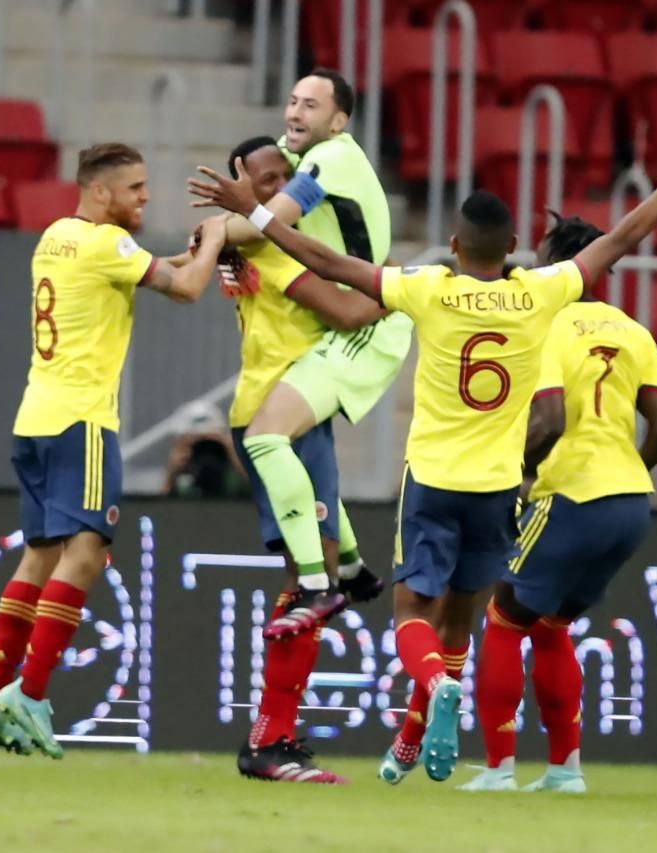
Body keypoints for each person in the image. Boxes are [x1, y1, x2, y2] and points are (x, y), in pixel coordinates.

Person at [188, 131, 657, 783]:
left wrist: (258, 212)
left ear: (453, 246)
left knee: (412, 613)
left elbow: (328, 263)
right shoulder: (542, 293)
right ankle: (442, 715)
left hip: (435, 479)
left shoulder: (427, 289)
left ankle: (434, 689)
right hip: (499, 486)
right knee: (464, 619)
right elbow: (619, 239)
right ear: (511, 250)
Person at [0, 143, 226, 759]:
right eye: (135, 188)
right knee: (85, 554)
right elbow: (187, 291)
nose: (144, 198)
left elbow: (134, 267)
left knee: (38, 555)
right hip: (82, 423)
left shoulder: (57, 237)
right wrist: (215, 240)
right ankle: (31, 693)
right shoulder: (107, 246)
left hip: (34, 418)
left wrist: (183, 255)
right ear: (102, 192)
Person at [461, 213, 657, 794]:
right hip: (630, 505)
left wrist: (519, 474)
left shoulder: (548, 326)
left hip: (573, 495)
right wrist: (627, 469)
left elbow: (551, 417)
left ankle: (498, 770)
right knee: (553, 625)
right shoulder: (633, 332)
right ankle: (565, 771)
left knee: (503, 620)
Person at [221, 135, 389, 783]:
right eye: (261, 181)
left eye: (282, 178)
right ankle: (270, 742)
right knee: (304, 578)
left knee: (308, 565)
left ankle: (273, 736)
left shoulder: (252, 244)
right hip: (283, 417)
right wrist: (403, 290)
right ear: (240, 186)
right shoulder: (272, 246)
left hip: (271, 407)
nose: (277, 191)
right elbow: (348, 312)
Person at [219, 69, 411, 636]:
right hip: (328, 337)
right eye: (293, 101)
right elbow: (260, 181)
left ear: (339, 120)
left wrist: (223, 228)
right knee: (272, 447)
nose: (295, 113)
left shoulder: (336, 161)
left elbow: (268, 217)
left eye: (311, 105)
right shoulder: (291, 154)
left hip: (359, 327)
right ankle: (347, 570)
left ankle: (320, 585)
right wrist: (216, 232)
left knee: (265, 439)